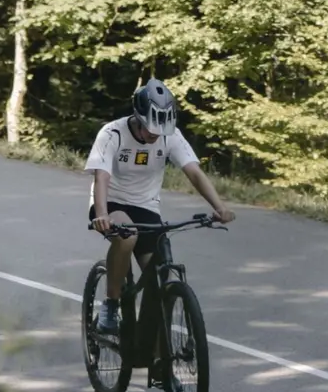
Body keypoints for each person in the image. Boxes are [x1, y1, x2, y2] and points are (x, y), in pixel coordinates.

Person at [85, 78, 235, 335]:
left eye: (160, 130)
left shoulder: (171, 135)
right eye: (149, 129)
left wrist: (220, 208)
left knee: (161, 280)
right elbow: (102, 177)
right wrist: (101, 215)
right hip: (111, 202)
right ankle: (111, 303)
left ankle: (158, 359)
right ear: (137, 116)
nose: (154, 136)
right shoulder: (112, 133)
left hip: (146, 208)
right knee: (127, 235)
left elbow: (194, 173)